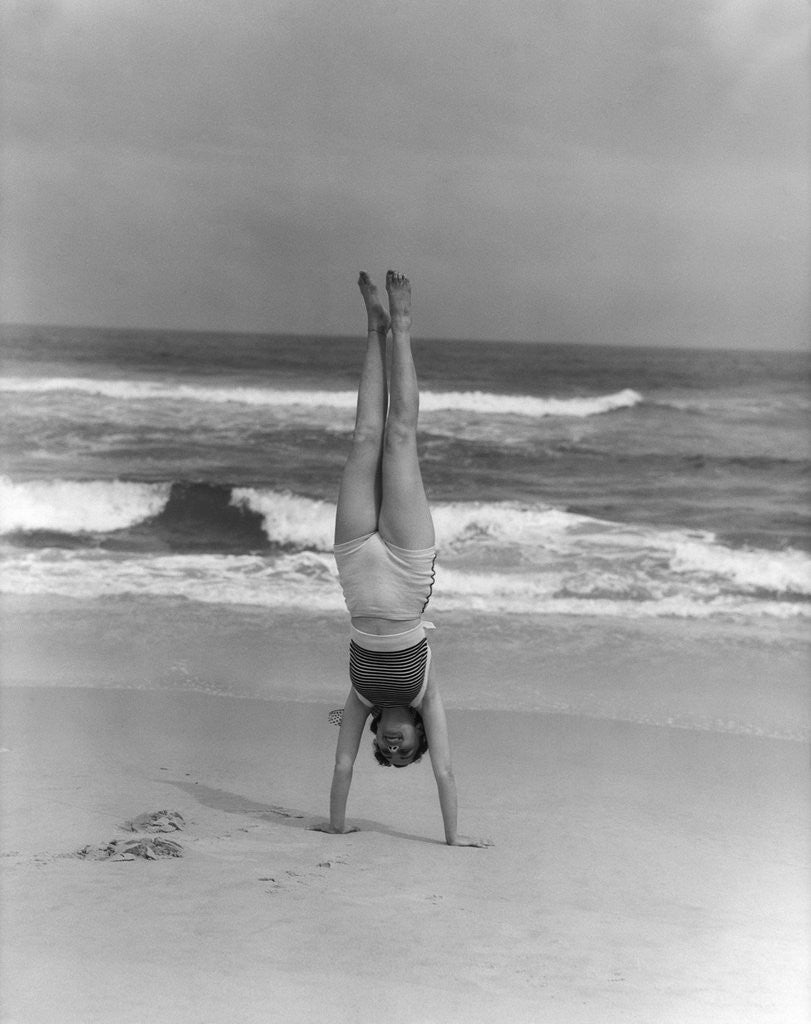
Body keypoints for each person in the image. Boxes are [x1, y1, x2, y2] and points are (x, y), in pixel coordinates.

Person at [312, 270, 489, 847]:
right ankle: (403, 325)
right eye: (405, 749)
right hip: (410, 571)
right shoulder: (424, 693)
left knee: (364, 437)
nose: (394, 749)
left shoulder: (361, 699)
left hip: (356, 566)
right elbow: (446, 772)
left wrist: (336, 827)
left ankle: (373, 325)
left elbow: (342, 769)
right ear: (417, 733)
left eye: (387, 753)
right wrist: (454, 838)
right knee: (400, 438)